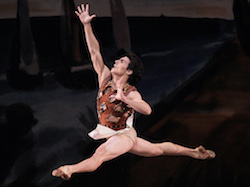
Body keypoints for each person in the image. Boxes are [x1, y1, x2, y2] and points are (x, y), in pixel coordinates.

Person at [52, 4, 216, 180]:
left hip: (123, 136)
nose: (115, 62)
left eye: (121, 62)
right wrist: (86, 25)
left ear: (129, 71)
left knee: (99, 155)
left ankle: (70, 169)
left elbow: (147, 110)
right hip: (114, 133)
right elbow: (94, 52)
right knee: (156, 150)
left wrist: (124, 99)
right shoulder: (105, 79)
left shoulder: (130, 92)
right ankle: (194, 152)